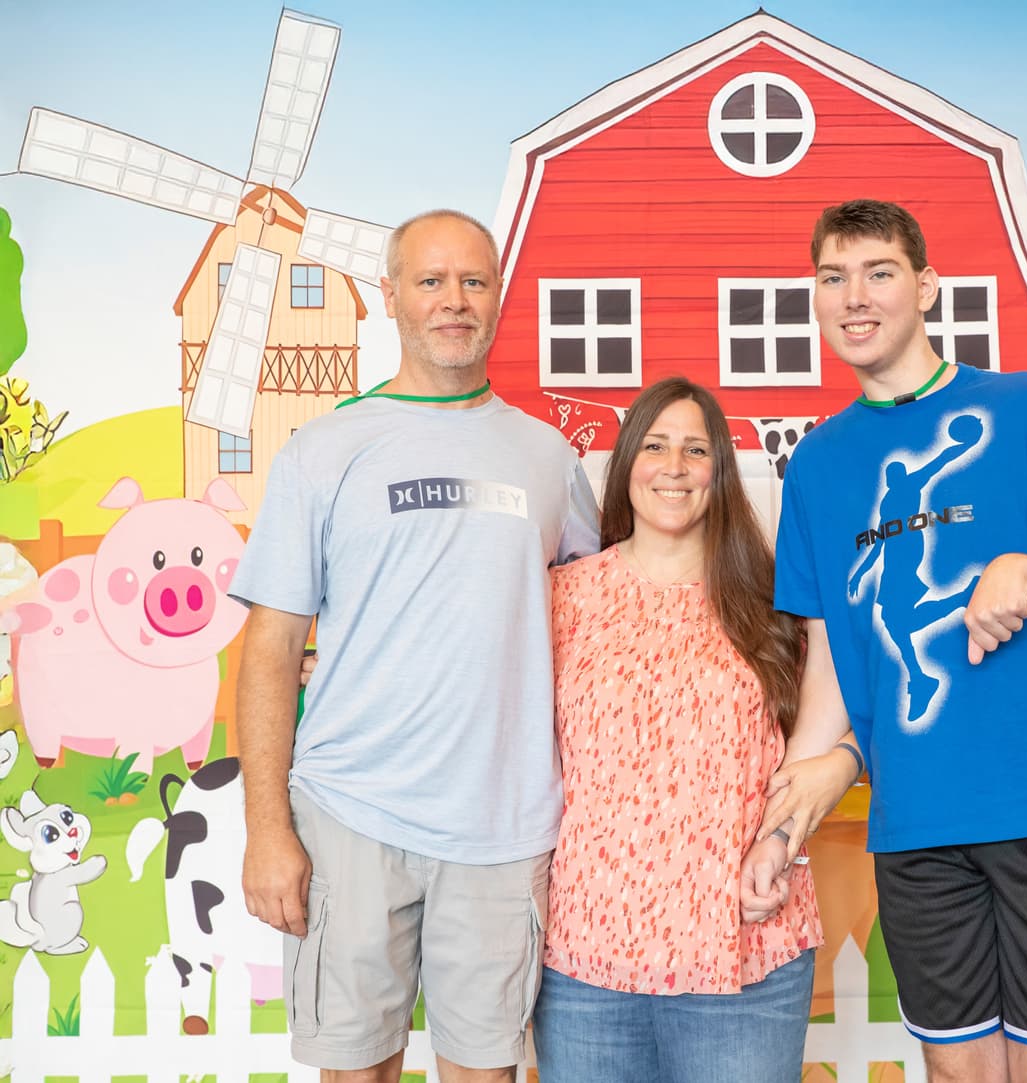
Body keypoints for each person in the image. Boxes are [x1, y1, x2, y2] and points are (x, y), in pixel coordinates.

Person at [745, 199, 1027, 1083]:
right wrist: (777, 830)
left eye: (878, 272)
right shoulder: (818, 465)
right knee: (957, 1072)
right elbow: (828, 666)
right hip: (918, 825)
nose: (854, 297)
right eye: (832, 278)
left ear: (926, 287)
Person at [231, 209, 599, 1083]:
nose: (454, 301)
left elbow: (597, 608)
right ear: (390, 295)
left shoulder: (548, 458)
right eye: (431, 281)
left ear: (498, 297)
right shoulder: (323, 451)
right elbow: (271, 649)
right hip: (353, 815)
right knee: (355, 1069)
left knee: (488, 1071)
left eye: (473, 281)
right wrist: (266, 830)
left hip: (504, 826)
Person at [530, 377, 825, 1083]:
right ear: (626, 460)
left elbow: (832, 739)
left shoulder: (774, 602)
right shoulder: (558, 598)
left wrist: (782, 841)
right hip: (587, 965)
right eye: (656, 445)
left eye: (697, 449)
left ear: (719, 472)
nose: (675, 464)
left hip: (747, 951)